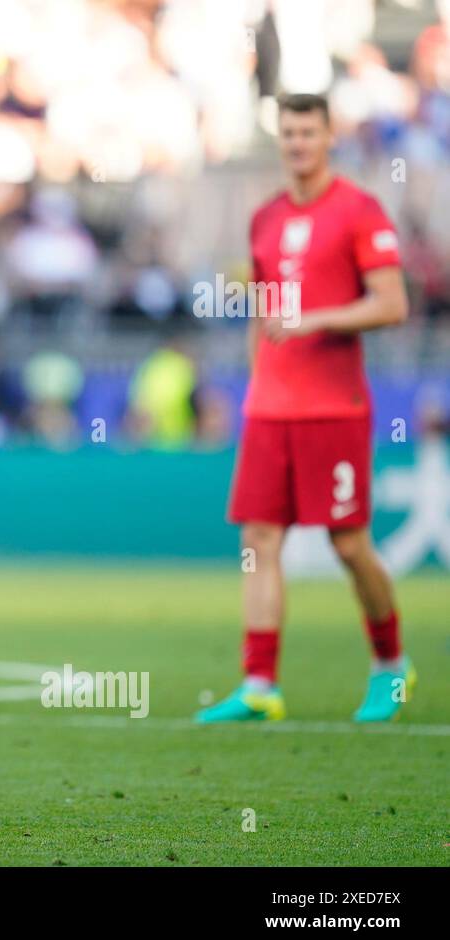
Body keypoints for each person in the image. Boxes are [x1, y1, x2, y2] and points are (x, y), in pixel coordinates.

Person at [197, 94, 411, 724]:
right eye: (288, 132)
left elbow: (392, 304)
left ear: (328, 137)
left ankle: (391, 667)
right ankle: (260, 684)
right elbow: (264, 314)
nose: (297, 143)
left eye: (307, 132)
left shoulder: (359, 210)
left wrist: (314, 318)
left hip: (334, 407)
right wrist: (252, 386)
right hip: (271, 408)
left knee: (348, 544)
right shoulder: (264, 219)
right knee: (259, 538)